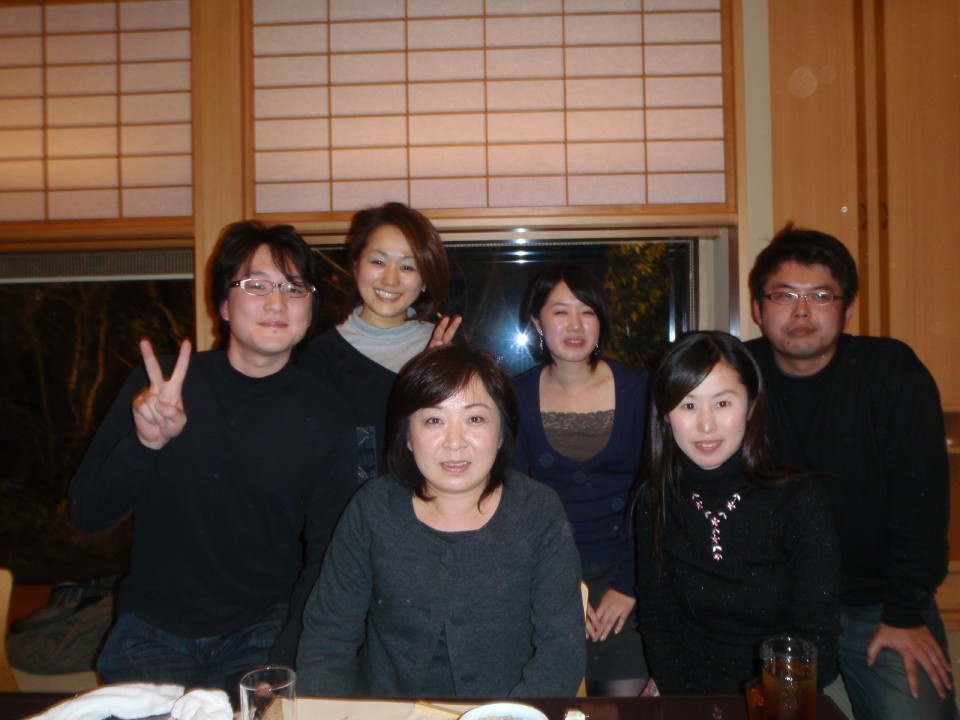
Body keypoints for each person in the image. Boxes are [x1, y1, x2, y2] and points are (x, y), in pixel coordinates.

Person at [69, 221, 357, 693]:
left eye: (294, 288)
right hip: (153, 628)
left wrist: (285, 656)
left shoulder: (328, 417)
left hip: (262, 630)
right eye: (256, 285)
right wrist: (145, 444)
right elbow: (87, 513)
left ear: (310, 310)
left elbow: (329, 555)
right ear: (224, 304)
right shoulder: (163, 389)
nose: (277, 302)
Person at [746, 224, 957, 720]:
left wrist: (905, 614)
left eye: (821, 295)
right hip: (775, 605)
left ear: (847, 309)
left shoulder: (890, 373)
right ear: (758, 308)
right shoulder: (738, 376)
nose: (802, 311)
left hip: (880, 605)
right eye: (784, 295)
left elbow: (924, 504)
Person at [297, 344, 585, 698]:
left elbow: (561, 652)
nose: (454, 442)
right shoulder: (372, 508)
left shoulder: (538, 511)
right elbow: (328, 635)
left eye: (475, 419)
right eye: (434, 420)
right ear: (407, 435)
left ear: (501, 433)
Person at [633, 330, 841, 695]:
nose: (706, 425)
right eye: (688, 405)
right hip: (688, 693)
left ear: (751, 406)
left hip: (781, 694)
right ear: (665, 415)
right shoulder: (655, 500)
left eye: (723, 403)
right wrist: (681, 697)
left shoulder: (800, 500)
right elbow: (658, 619)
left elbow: (817, 639)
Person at [511, 263, 650, 697]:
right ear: (537, 323)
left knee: (623, 704)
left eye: (587, 311)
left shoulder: (639, 389)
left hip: (628, 569)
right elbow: (513, 503)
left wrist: (629, 585)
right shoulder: (515, 396)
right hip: (546, 572)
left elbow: (655, 496)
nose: (575, 324)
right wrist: (554, 583)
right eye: (560, 311)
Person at [300, 202, 461, 483]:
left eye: (408, 266)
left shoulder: (445, 345)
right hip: (357, 507)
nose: (390, 279)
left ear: (424, 280)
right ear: (355, 266)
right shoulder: (321, 357)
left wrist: (436, 377)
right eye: (378, 262)